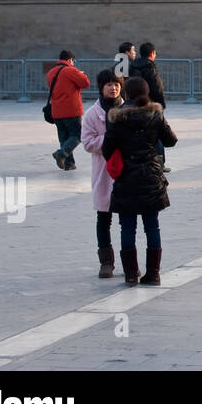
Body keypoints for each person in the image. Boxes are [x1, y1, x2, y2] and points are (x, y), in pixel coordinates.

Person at [102, 76, 178, 285]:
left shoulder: (116, 118)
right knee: (152, 226)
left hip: (126, 178)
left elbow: (107, 150)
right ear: (146, 93)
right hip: (151, 176)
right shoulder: (155, 114)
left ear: (126, 93)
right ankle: (153, 274)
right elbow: (171, 140)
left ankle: (130, 274)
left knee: (127, 228)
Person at [80, 70, 124, 278]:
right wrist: (109, 139)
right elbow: (87, 142)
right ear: (101, 87)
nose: (113, 87)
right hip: (104, 171)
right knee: (103, 217)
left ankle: (129, 261)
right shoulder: (91, 114)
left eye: (116, 84)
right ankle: (106, 262)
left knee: (128, 219)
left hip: (127, 171)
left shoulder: (128, 110)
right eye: (108, 84)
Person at [48, 50, 91, 171]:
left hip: (56, 111)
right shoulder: (71, 70)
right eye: (73, 61)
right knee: (77, 135)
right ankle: (61, 154)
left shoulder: (51, 72)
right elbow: (85, 83)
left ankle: (69, 164)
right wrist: (80, 73)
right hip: (71, 110)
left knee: (64, 137)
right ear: (70, 60)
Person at [131, 42, 169, 170]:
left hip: (136, 104)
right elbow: (157, 88)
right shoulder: (149, 67)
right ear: (152, 53)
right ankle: (159, 162)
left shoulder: (133, 66)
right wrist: (161, 104)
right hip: (151, 105)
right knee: (156, 132)